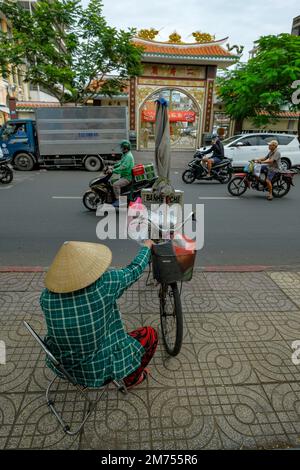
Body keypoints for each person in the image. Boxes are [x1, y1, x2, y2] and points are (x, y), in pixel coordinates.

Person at [40, 240, 158, 390]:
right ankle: (132, 379)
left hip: (63, 367)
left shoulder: (47, 297)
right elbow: (134, 269)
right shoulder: (104, 285)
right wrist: (147, 246)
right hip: (98, 371)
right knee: (151, 334)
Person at [111, 140, 134, 208]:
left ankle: (118, 200)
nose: (121, 149)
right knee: (112, 181)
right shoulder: (125, 155)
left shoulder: (128, 156)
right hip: (124, 175)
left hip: (127, 177)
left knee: (115, 185)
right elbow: (120, 163)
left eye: (122, 148)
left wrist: (114, 170)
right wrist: (113, 166)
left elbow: (123, 167)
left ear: (125, 148)